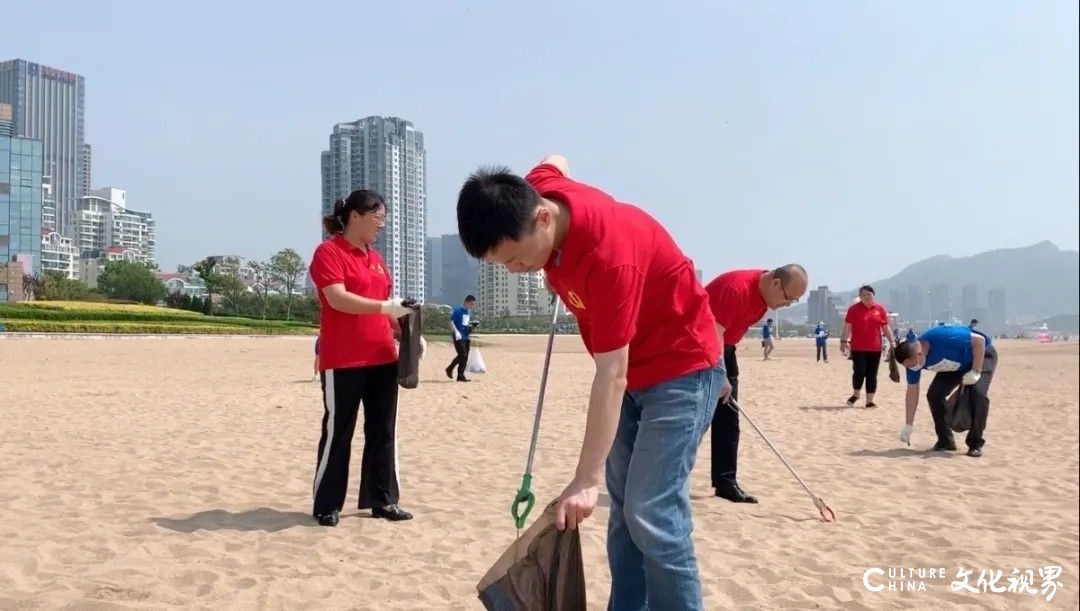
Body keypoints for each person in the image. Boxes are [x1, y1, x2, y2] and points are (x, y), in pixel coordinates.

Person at [456, 154, 727, 610]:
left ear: (543, 218)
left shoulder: (610, 259)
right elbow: (555, 159)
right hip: (633, 374)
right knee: (624, 513)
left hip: (681, 370)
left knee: (651, 513)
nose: (516, 270)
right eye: (504, 264)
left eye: (518, 259)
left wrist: (584, 478)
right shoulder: (539, 190)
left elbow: (611, 374)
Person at [308, 189, 417, 527]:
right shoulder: (329, 252)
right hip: (343, 360)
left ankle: (383, 500)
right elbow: (338, 299)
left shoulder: (376, 259)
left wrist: (404, 328)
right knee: (339, 431)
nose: (381, 225)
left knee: (383, 431)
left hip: (383, 356)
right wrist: (385, 306)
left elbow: (382, 310)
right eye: (377, 218)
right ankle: (327, 504)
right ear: (355, 216)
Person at [704, 266, 808, 504]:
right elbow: (713, 331)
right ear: (775, 284)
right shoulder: (736, 288)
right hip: (697, 348)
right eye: (788, 299)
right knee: (693, 419)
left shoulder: (765, 299)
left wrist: (726, 370)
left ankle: (725, 482)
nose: (787, 304)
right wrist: (720, 374)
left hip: (725, 350)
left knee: (728, 418)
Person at [893, 325, 997, 457]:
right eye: (907, 367)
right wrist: (909, 425)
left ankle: (975, 443)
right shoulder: (912, 364)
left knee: (978, 393)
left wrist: (976, 371)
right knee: (934, 395)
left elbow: (979, 341)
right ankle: (945, 440)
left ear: (919, 353)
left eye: (912, 365)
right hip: (955, 366)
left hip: (982, 354)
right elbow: (912, 393)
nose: (912, 368)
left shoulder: (943, 336)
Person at [840, 285, 895, 408]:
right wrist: (843, 341)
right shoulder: (853, 309)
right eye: (863, 295)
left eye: (868, 294)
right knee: (859, 371)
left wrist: (892, 342)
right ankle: (856, 394)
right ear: (860, 297)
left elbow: (885, 328)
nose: (866, 297)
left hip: (875, 348)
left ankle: (869, 401)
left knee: (872, 374)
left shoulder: (880, 309)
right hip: (858, 347)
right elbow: (847, 326)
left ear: (873, 295)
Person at [445, 294, 478, 382]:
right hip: (458, 336)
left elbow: (466, 324)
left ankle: (460, 375)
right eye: (471, 304)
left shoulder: (468, 312)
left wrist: (472, 326)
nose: (472, 306)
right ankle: (449, 368)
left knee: (465, 356)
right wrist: (456, 331)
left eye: (473, 304)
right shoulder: (456, 310)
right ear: (466, 302)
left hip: (466, 336)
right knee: (462, 355)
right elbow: (450, 322)